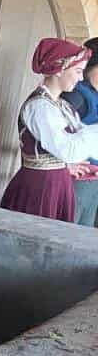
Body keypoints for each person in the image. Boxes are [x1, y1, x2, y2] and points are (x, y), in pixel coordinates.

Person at [1, 37, 98, 225]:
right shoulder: (40, 107)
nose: (80, 78)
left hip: (57, 181)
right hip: (41, 184)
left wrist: (68, 165)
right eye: (78, 71)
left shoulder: (60, 105)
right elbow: (67, 149)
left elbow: (75, 142)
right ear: (59, 69)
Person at [61, 39, 98, 228]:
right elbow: (52, 131)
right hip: (77, 179)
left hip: (93, 180)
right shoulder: (77, 95)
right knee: (66, 231)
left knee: (83, 233)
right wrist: (64, 164)